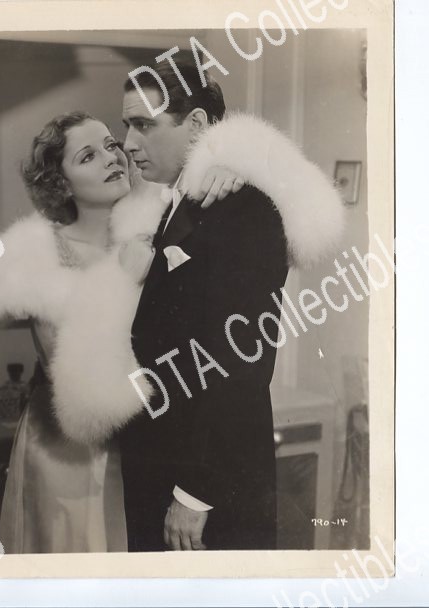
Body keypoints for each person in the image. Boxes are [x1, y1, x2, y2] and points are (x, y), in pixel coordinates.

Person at [0, 111, 242, 553]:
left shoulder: (156, 227)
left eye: (111, 145)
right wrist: (124, 279)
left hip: (151, 442)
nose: (113, 158)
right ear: (60, 182)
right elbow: (77, 377)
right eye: (88, 156)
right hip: (70, 452)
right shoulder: (34, 254)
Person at [99, 58, 346, 551]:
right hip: (162, 462)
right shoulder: (177, 202)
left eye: (144, 125)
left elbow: (240, 359)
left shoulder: (242, 207)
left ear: (195, 123)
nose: (128, 143)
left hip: (202, 485)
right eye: (127, 126)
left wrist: (195, 493)